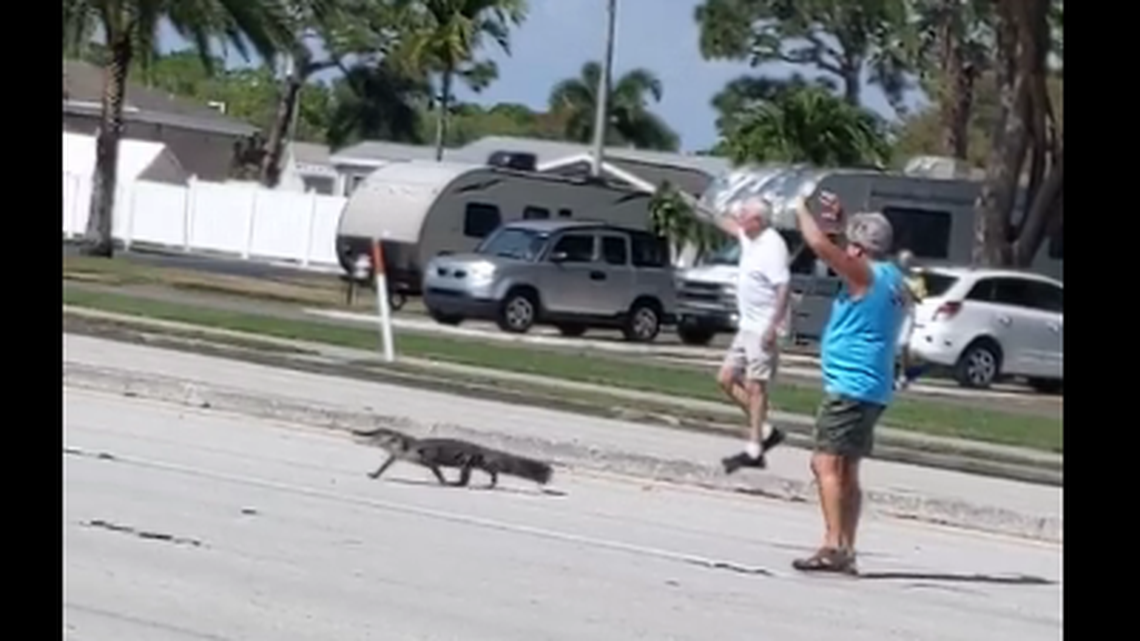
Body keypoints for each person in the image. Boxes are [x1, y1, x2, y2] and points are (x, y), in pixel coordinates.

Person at [790, 192, 906, 574]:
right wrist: (842, 225)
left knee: (824, 462)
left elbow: (820, 246)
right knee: (846, 469)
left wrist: (799, 207)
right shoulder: (891, 278)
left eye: (852, 245)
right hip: (873, 386)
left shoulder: (865, 276)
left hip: (850, 386)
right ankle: (847, 546)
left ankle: (833, 545)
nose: (847, 251)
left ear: (860, 250)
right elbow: (841, 253)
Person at [711, 197, 793, 472]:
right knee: (726, 378)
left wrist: (773, 326)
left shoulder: (772, 245)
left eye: (744, 213)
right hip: (747, 325)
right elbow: (725, 223)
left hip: (763, 327)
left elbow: (783, 288)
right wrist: (693, 206)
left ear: (758, 220)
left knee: (756, 386)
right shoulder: (749, 237)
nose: (739, 216)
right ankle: (766, 430)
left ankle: (755, 448)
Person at [894, 249, 926, 390]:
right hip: (893, 312)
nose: (905, 263)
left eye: (908, 260)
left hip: (908, 313)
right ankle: (894, 374)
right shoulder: (894, 276)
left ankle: (903, 375)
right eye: (903, 260)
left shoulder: (917, 279)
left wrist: (909, 291)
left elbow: (920, 297)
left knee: (903, 343)